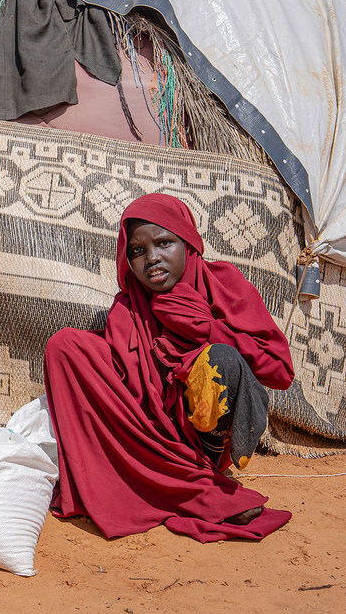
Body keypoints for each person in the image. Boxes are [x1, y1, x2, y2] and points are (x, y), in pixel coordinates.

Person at [43, 193, 294, 542]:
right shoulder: (129, 309)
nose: (152, 258)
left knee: (219, 359)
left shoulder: (223, 284)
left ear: (187, 243)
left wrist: (205, 329)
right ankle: (152, 481)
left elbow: (280, 371)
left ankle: (201, 472)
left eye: (164, 243)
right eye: (137, 251)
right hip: (154, 432)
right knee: (66, 345)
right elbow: (127, 379)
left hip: (205, 439)